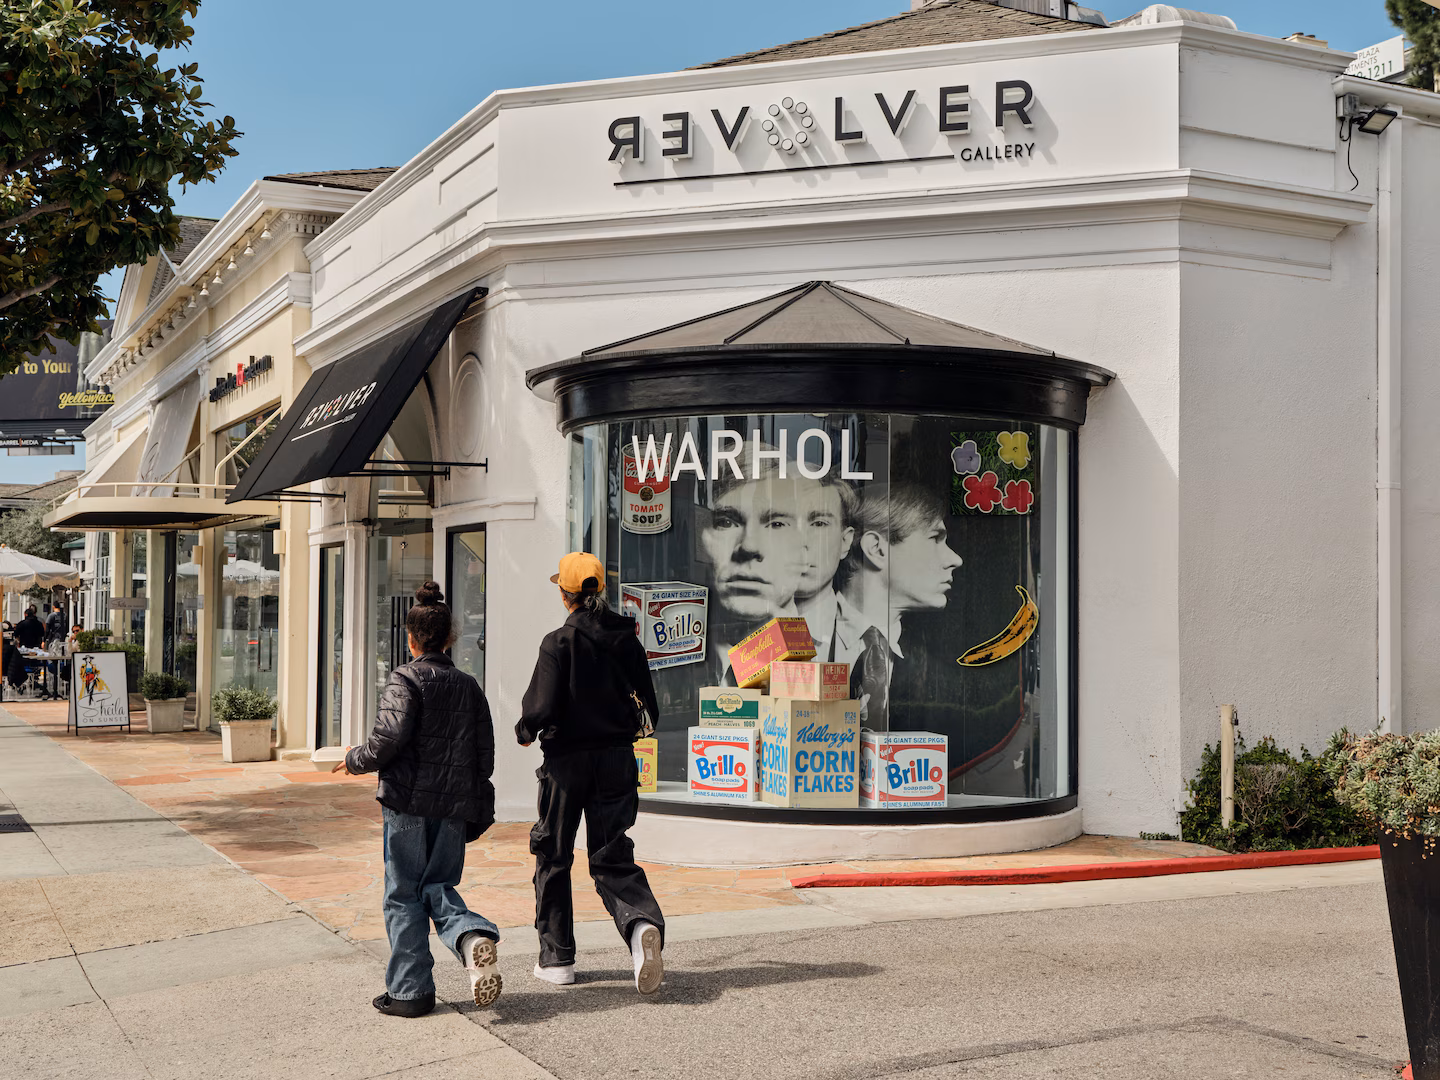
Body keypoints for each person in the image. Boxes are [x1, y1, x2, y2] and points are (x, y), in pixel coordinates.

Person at [332, 581, 501, 1018]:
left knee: (404, 894)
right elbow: (485, 758)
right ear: (450, 638)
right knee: (439, 886)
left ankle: (410, 994)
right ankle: (468, 937)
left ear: (411, 639)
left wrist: (353, 759)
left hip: (407, 803)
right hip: (452, 810)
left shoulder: (405, 677)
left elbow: (387, 739)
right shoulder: (469, 685)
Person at [517, 551, 666, 994]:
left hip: (566, 765)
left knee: (554, 856)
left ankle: (557, 959)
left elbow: (539, 708)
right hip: (617, 760)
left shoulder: (558, 642)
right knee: (612, 856)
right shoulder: (629, 641)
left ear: (565, 595)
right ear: (599, 590)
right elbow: (650, 708)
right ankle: (640, 928)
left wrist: (525, 730)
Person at [697, 445, 823, 684]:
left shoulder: (841, 653)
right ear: (702, 541)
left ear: (807, 548)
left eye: (776, 524)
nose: (749, 546)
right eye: (725, 522)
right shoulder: (676, 663)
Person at [840, 484, 963, 729]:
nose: (955, 560)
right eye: (934, 539)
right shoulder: (797, 632)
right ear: (876, 549)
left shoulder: (946, 671)